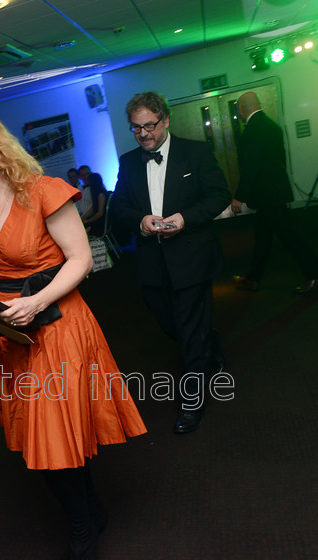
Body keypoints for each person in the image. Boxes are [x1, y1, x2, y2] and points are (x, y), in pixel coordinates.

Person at [0, 108, 146, 559]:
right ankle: (91, 510)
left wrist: (38, 301)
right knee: (47, 435)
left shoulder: (43, 192)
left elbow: (81, 260)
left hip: (59, 326)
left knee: (54, 437)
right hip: (12, 334)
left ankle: (82, 529)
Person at [110, 91, 230, 434]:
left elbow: (219, 195)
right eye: (136, 128)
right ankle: (211, 342)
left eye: (150, 125)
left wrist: (185, 218)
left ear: (166, 120)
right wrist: (141, 221)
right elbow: (118, 209)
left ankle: (192, 404)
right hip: (152, 260)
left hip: (191, 254)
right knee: (167, 322)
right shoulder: (129, 161)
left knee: (191, 332)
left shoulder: (195, 151)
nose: (144, 134)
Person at [231, 91, 318, 294]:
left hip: (267, 196)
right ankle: (253, 278)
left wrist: (239, 196)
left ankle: (315, 273)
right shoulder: (271, 125)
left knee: (290, 237)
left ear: (241, 108)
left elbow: (251, 167)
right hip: (274, 192)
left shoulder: (252, 130)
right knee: (262, 238)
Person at [81, 173, 109, 237]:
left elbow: (100, 213)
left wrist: (87, 221)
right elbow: (92, 209)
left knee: (83, 226)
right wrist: (81, 219)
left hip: (103, 223)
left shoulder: (101, 195)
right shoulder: (98, 194)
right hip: (101, 220)